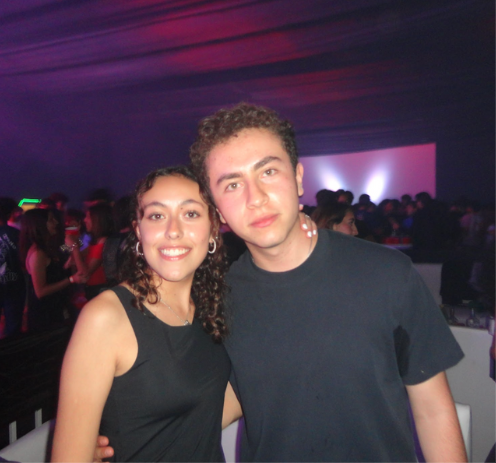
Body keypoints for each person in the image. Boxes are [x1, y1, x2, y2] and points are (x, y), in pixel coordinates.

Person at [97, 103, 466, 462]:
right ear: (217, 209)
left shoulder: (386, 273)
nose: (255, 198)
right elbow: (215, 402)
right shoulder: (217, 298)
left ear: (299, 177)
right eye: (232, 184)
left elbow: (433, 410)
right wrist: (120, 441)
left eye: (268, 172)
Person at [52, 166, 235, 462]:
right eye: (157, 216)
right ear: (138, 230)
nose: (173, 230)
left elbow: (210, 410)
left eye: (190, 213)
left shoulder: (211, 306)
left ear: (214, 227)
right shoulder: (105, 317)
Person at [20, 208, 86, 333]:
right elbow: (40, 291)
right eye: (51, 220)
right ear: (40, 225)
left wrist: (75, 238)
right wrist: (71, 279)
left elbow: (69, 249)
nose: (56, 222)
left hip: (54, 307)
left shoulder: (48, 246)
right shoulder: (38, 253)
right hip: (45, 313)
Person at [66, 203, 114, 301]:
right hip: (92, 289)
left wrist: (74, 246)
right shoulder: (94, 240)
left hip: (99, 290)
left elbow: (84, 274)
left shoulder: (104, 242)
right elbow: (72, 259)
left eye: (88, 217)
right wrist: (74, 240)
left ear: (97, 220)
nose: (85, 220)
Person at [0, 197, 26, 337]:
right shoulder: (17, 234)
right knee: (13, 329)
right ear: (10, 213)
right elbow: (25, 261)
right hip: (14, 285)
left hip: (11, 286)